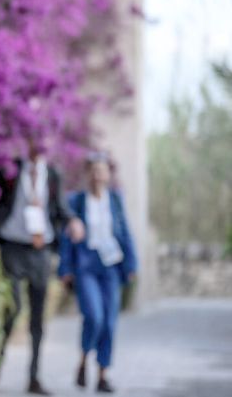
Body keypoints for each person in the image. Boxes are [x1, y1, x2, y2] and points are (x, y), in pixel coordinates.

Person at [0, 139, 85, 395]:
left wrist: (73, 222)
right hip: (12, 247)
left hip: (41, 251)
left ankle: (34, 377)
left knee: (38, 317)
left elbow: (60, 208)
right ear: (26, 141)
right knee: (13, 307)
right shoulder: (12, 170)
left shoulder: (53, 174)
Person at [58, 152, 138, 393]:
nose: (97, 175)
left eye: (101, 170)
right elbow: (66, 237)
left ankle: (103, 374)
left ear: (108, 174)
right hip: (86, 265)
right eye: (93, 170)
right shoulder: (77, 201)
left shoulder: (115, 200)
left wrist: (132, 264)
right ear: (87, 174)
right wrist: (65, 268)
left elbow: (125, 232)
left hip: (111, 266)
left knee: (110, 323)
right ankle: (83, 360)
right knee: (94, 317)